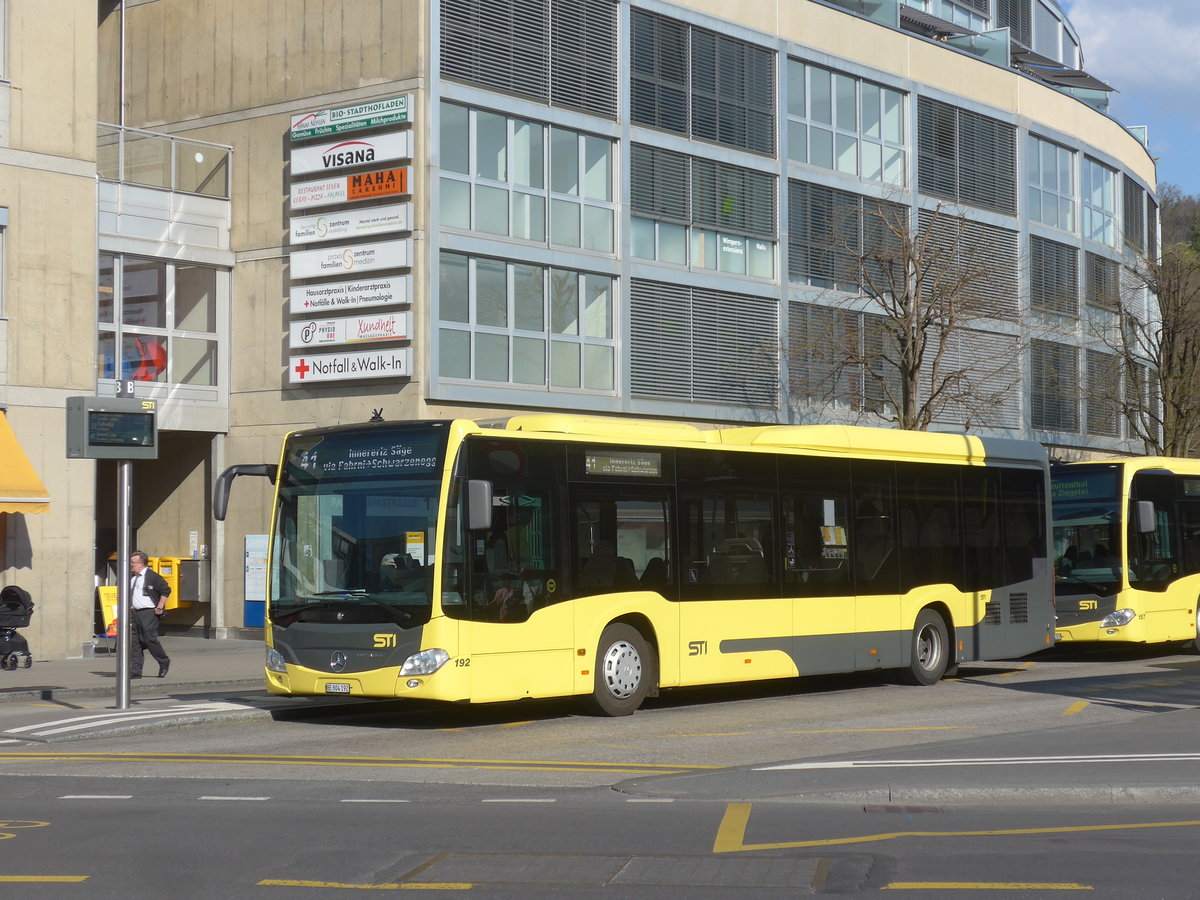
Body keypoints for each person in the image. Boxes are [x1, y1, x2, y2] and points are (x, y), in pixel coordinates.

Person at [128, 550, 171, 678]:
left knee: (149, 639)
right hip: (135, 613)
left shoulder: (152, 576)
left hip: (148, 612)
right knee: (135, 642)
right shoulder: (133, 578)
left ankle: (163, 661)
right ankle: (136, 671)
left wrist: (160, 607)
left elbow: (165, 590)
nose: (131, 565)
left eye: (133, 563)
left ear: (141, 564)